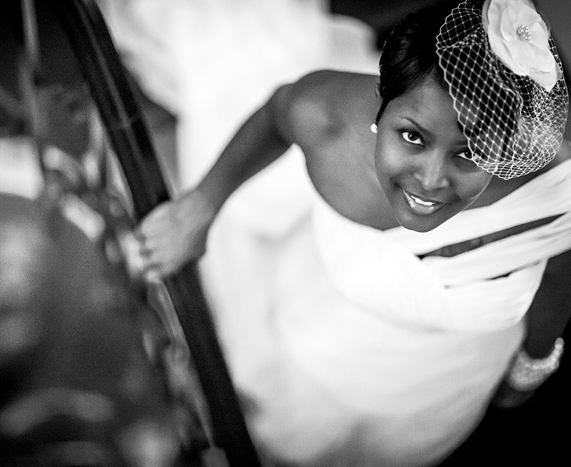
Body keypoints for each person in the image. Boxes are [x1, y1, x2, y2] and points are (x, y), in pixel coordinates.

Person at [135, 0, 571, 465]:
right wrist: (200, 209)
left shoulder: (555, 198)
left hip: (441, 378)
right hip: (316, 320)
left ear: (508, 147)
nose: (430, 181)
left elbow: (556, 282)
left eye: (470, 153)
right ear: (381, 107)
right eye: (412, 136)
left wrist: (532, 364)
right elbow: (277, 111)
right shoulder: (327, 119)